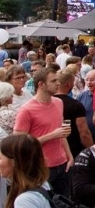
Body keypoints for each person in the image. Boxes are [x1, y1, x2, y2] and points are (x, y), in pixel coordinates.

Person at [13, 67, 73, 197]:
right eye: (53, 81)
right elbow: (19, 144)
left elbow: (61, 133)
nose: (58, 83)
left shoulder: (58, 102)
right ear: (41, 84)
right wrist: (52, 135)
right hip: (40, 167)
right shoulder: (27, 110)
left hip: (62, 165)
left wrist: (69, 156)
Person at [54, 69, 93, 158]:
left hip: (52, 148)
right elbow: (84, 132)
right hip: (73, 150)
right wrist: (92, 152)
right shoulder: (75, 105)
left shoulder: (47, 102)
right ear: (69, 83)